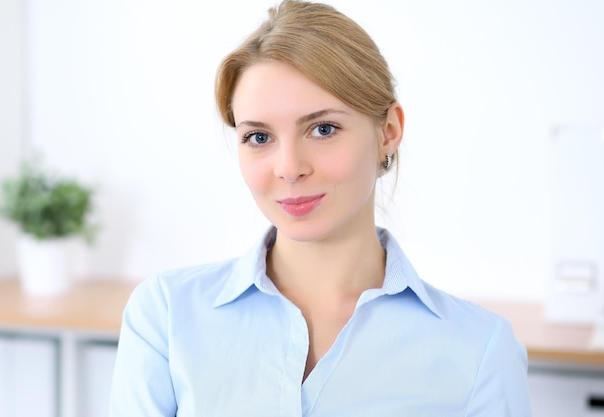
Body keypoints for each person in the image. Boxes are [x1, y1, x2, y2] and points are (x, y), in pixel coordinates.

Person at [109, 0, 531, 415]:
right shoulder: (166, 316)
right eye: (258, 137)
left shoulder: (480, 350)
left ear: (388, 131)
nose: (289, 168)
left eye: (322, 129)